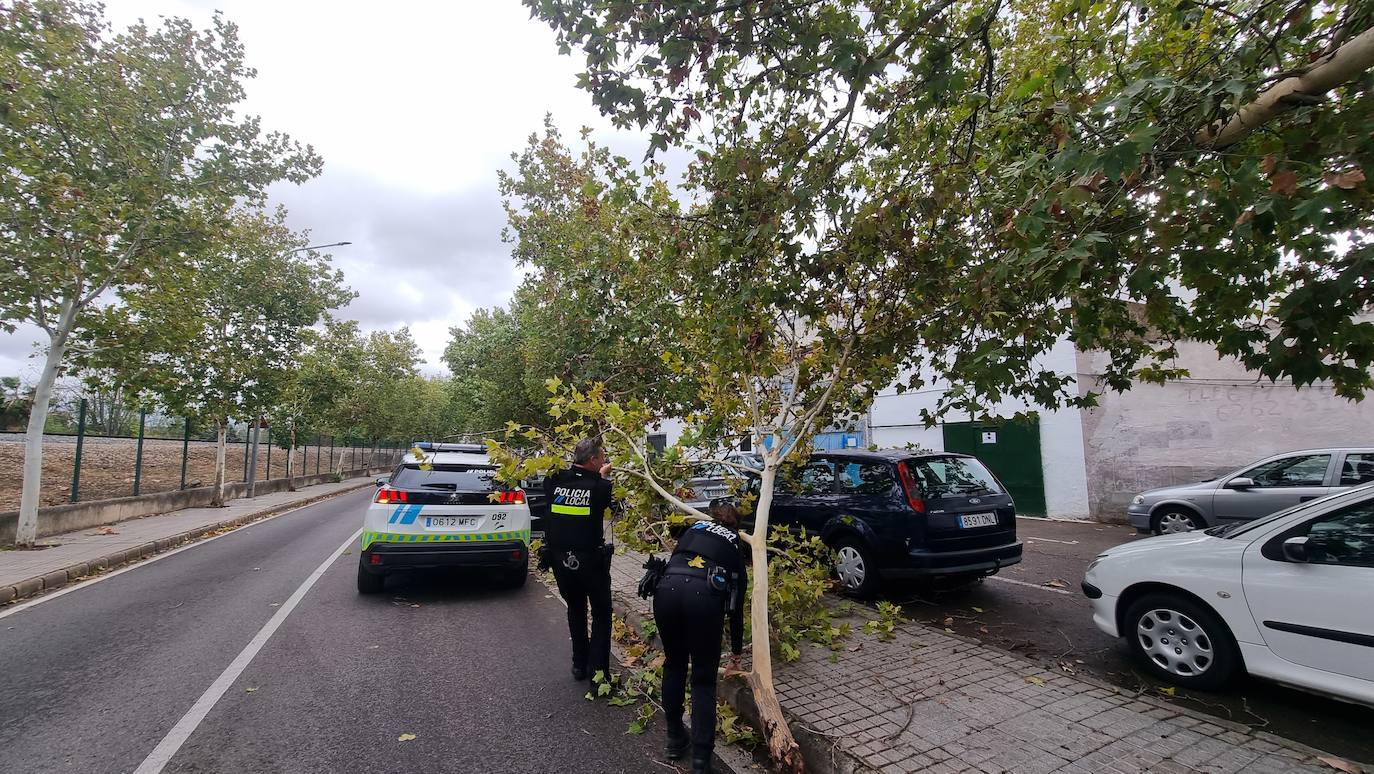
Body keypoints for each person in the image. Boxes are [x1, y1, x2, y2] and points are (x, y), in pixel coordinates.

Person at [653, 502, 748, 774]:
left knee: (674, 665)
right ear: (735, 525)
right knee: (703, 679)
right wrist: (737, 653)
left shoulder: (693, 529)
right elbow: (736, 605)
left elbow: (674, 560)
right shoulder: (734, 542)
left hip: (667, 591)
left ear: (712, 518)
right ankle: (700, 760)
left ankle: (674, 739)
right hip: (703, 598)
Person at [541, 438, 616, 686]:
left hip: (561, 561)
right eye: (602, 457)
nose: (604, 461)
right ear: (593, 460)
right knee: (603, 614)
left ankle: (579, 664)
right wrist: (602, 478)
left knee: (575, 609)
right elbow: (605, 499)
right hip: (591, 562)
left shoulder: (554, 480)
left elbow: (566, 480)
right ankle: (599, 674)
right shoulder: (600, 487)